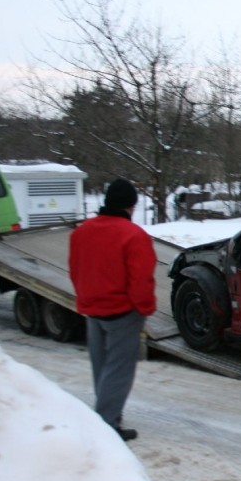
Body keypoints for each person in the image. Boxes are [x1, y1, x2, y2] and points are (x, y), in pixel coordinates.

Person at [69, 178, 157, 442]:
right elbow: (140, 280)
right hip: (122, 313)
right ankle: (106, 426)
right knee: (119, 370)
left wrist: (85, 297)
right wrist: (145, 308)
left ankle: (109, 415)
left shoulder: (82, 232)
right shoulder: (133, 236)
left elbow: (75, 269)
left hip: (93, 310)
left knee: (102, 367)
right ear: (130, 206)